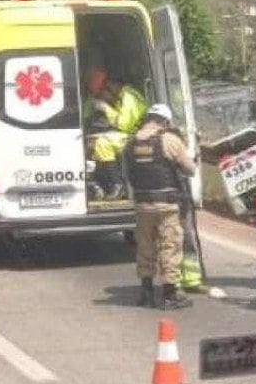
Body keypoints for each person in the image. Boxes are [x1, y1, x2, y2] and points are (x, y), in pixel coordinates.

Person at [126, 103, 196, 311]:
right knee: (170, 246)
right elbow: (190, 170)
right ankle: (169, 295)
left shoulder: (130, 143)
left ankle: (146, 292)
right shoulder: (170, 140)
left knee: (145, 246)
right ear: (164, 121)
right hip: (166, 205)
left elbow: (128, 173)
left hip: (142, 203)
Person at [84, 67, 147, 200]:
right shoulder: (120, 97)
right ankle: (101, 184)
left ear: (110, 87)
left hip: (136, 136)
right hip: (126, 135)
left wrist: (106, 108)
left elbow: (124, 125)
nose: (102, 97)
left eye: (102, 93)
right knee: (92, 141)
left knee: (102, 143)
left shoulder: (129, 97)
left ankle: (118, 184)